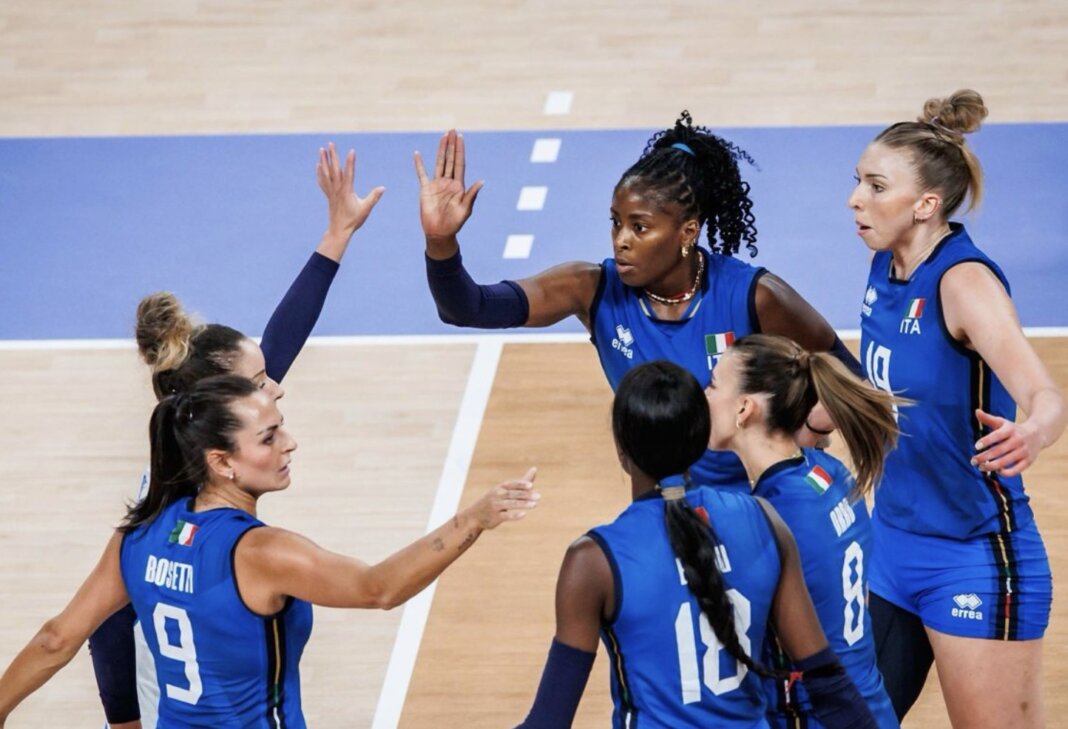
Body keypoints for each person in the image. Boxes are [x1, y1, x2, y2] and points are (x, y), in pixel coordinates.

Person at [0, 375, 540, 727]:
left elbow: (56, 639)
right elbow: (379, 589)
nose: (289, 443)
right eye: (269, 437)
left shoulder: (137, 532)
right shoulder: (260, 553)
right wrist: (473, 519)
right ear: (222, 462)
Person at [88, 142, 385, 729]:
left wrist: (336, 236)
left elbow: (279, 341)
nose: (275, 385)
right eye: (258, 381)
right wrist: (124, 722)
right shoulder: (173, 497)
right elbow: (103, 621)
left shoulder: (195, 451)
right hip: (177, 707)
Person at [415, 113, 858, 489]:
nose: (621, 241)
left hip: (762, 511)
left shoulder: (753, 296)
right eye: (616, 223)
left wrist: (816, 423)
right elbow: (467, 308)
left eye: (640, 228)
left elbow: (849, 377)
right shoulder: (590, 288)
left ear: (687, 232)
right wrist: (440, 242)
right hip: (666, 519)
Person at [851, 89, 1066, 727]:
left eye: (874, 185)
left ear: (926, 204)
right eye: (857, 181)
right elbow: (886, 392)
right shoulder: (884, 269)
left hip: (971, 556)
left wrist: (1034, 430)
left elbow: (1045, 394)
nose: (855, 199)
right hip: (889, 545)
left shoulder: (963, 282)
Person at [514, 361, 876, 729]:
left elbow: (548, 721)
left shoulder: (592, 562)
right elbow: (829, 684)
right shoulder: (765, 520)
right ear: (701, 435)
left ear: (622, 449)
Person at [703, 333, 900, 728]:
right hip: (867, 703)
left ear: (744, 408)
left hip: (818, 713)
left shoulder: (771, 515)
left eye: (713, 385)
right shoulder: (830, 472)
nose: (703, 396)